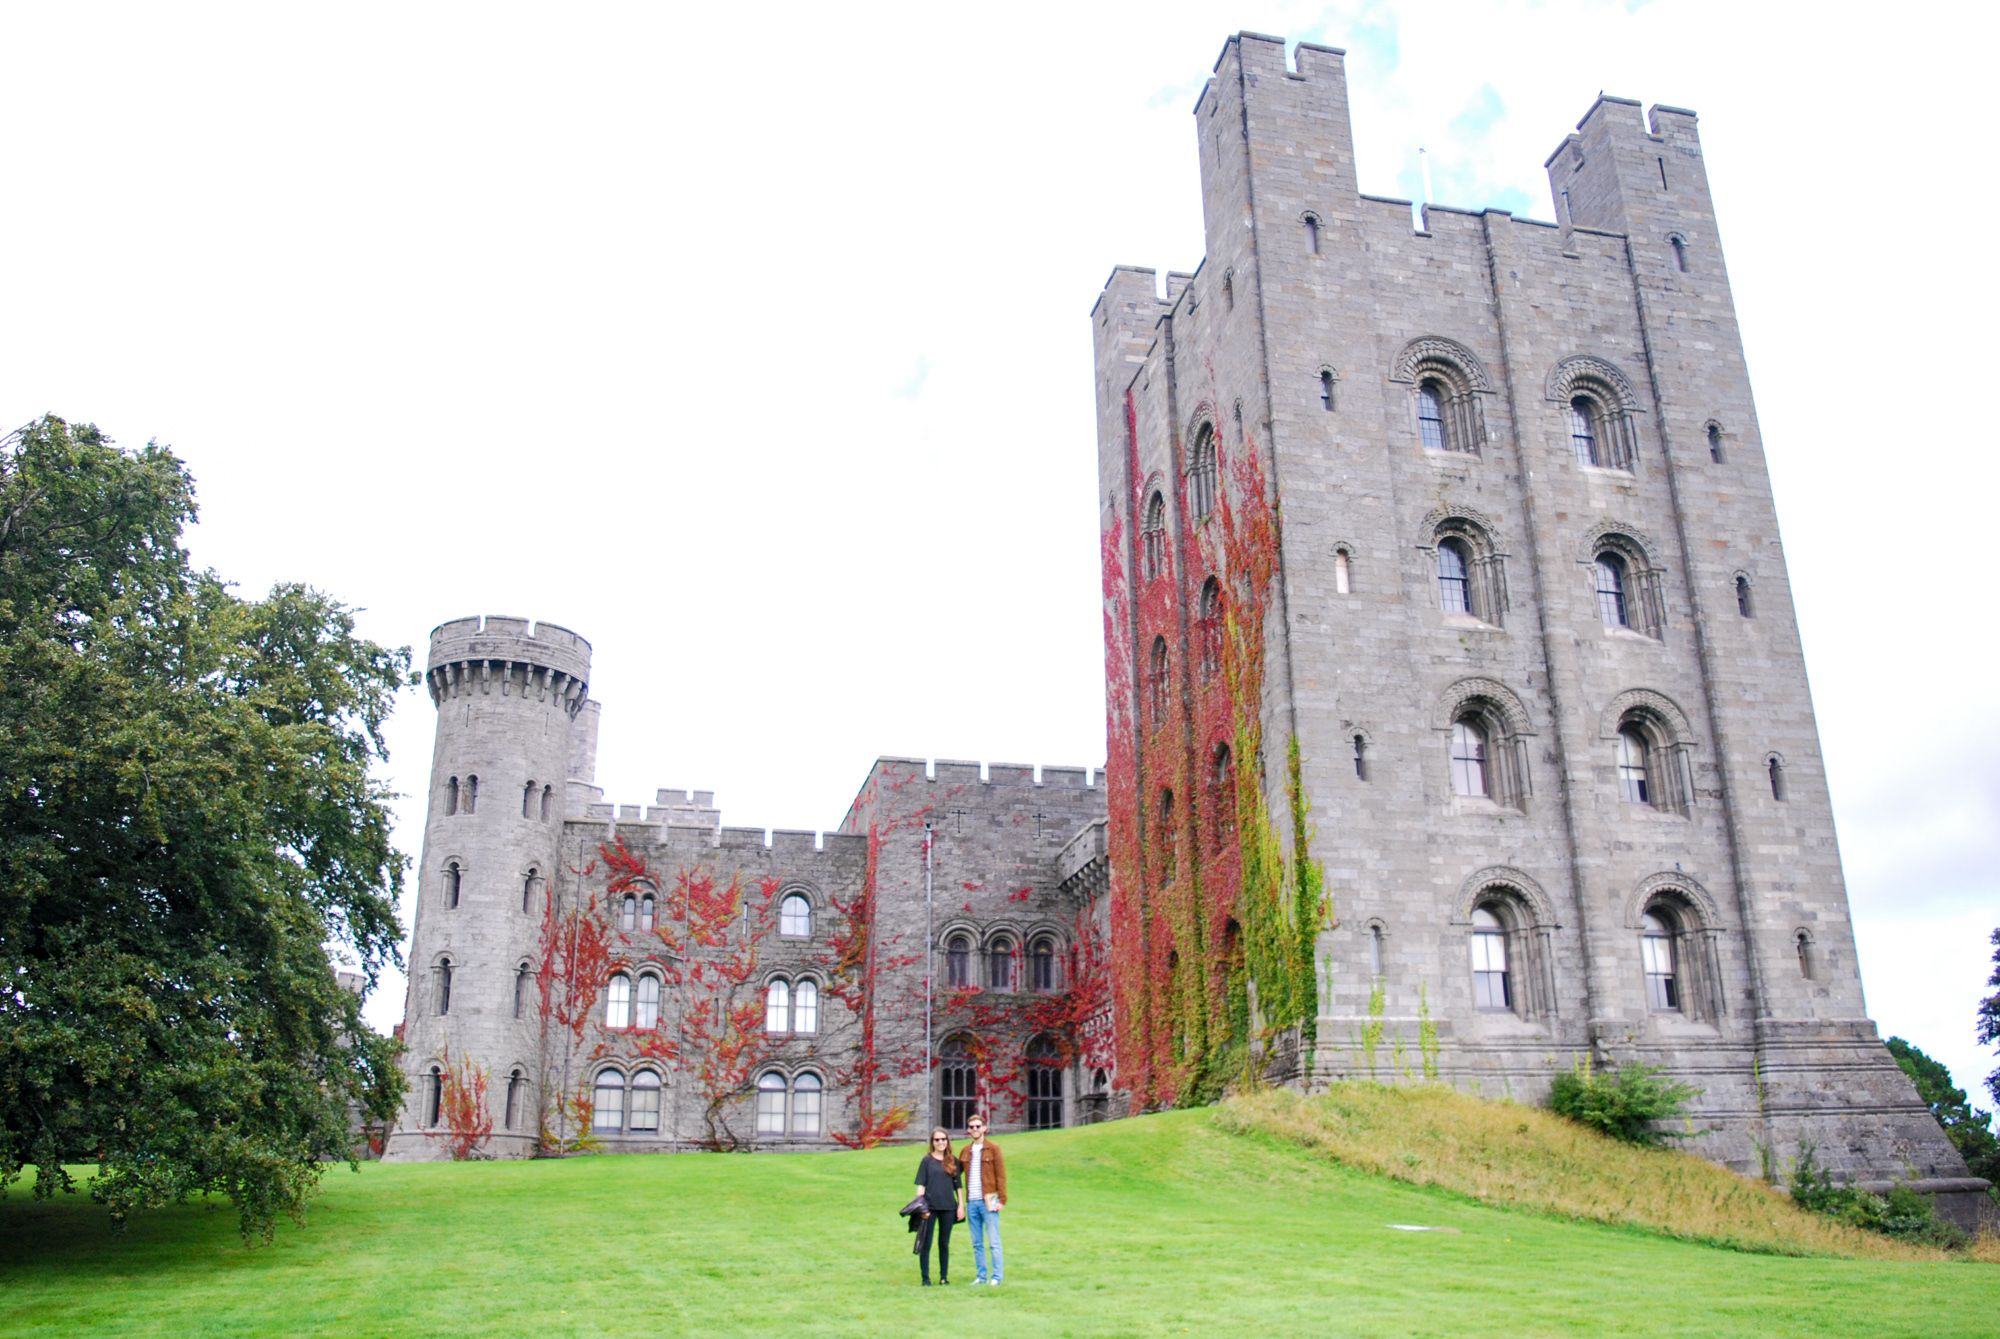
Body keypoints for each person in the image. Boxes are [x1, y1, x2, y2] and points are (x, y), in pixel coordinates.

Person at [958, 1113, 1006, 1285]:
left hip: (989, 1201)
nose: (975, 1130)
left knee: (994, 1241)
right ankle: (981, 1275)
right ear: (968, 1130)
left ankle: (997, 1276)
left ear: (984, 1129)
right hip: (972, 1202)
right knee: (977, 1243)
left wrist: (1002, 1200)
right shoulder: (965, 1151)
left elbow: (1000, 1176)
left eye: (978, 1127)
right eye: (972, 1127)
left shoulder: (993, 1149)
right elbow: (955, 1173)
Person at [911, 1127, 963, 1286]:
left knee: (944, 1242)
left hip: (948, 1207)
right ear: (932, 1142)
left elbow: (958, 1186)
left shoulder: (953, 1161)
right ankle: (926, 1278)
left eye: (943, 1139)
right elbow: (921, 1185)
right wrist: (921, 1207)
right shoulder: (927, 1161)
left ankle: (943, 1277)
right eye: (937, 1140)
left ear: (947, 1141)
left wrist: (961, 1205)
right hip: (930, 1207)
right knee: (926, 1242)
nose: (941, 1142)